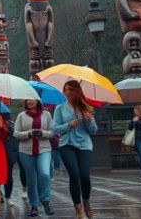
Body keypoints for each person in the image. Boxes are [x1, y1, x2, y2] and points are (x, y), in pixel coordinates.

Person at [52, 80, 97, 218]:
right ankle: (78, 208)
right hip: (67, 145)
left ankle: (86, 202)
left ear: (77, 91)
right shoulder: (60, 108)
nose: (69, 92)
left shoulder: (86, 108)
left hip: (84, 145)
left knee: (84, 175)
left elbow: (94, 130)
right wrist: (68, 125)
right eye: (66, 90)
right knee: (75, 175)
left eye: (71, 89)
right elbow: (54, 128)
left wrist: (89, 121)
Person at [14, 99, 54, 216]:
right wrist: (29, 133)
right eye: (28, 100)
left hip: (44, 149)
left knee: (45, 174)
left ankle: (45, 200)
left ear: (37, 101)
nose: (30, 101)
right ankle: (34, 205)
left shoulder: (46, 114)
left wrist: (43, 133)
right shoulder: (21, 115)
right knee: (31, 179)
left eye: (32, 99)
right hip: (26, 151)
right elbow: (16, 133)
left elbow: (53, 132)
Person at [1, 111, 18, 206]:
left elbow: (14, 135)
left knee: (8, 176)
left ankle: (8, 196)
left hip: (8, 154)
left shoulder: (11, 125)